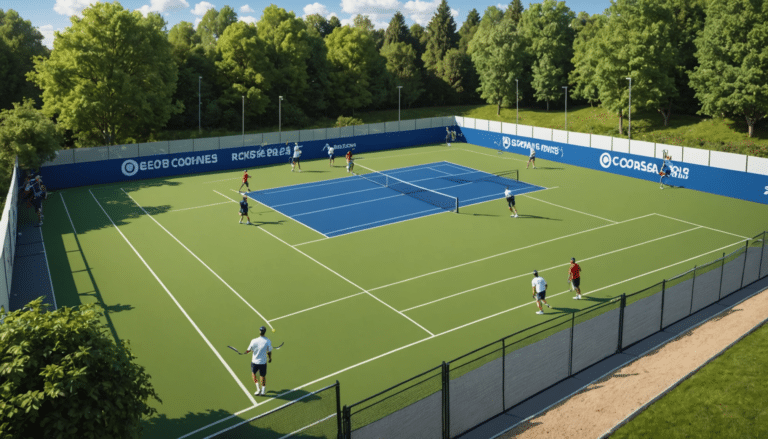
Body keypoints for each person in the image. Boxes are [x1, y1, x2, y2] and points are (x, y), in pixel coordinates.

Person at [244, 326, 272, 396]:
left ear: (259, 331)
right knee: (262, 376)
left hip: (254, 362)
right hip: (263, 362)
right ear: (265, 332)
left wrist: (246, 352)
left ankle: (258, 389)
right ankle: (263, 391)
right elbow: (269, 351)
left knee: (253, 374)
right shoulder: (268, 341)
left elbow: (248, 350)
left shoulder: (253, 341)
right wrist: (270, 358)